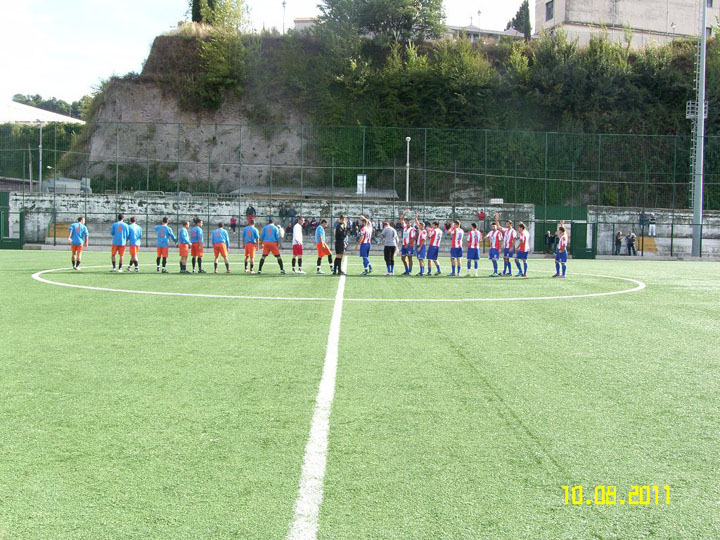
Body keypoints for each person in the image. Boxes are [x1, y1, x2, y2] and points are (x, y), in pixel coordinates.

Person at [398, 209, 416, 275]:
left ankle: (410, 271)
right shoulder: (405, 228)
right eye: (407, 223)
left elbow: (413, 238)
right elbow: (401, 220)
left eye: (409, 223)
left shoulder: (412, 229)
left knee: (409, 258)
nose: (407, 224)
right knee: (403, 258)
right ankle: (406, 270)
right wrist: (404, 213)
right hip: (404, 245)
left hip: (409, 245)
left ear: (411, 223)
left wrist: (407, 245)